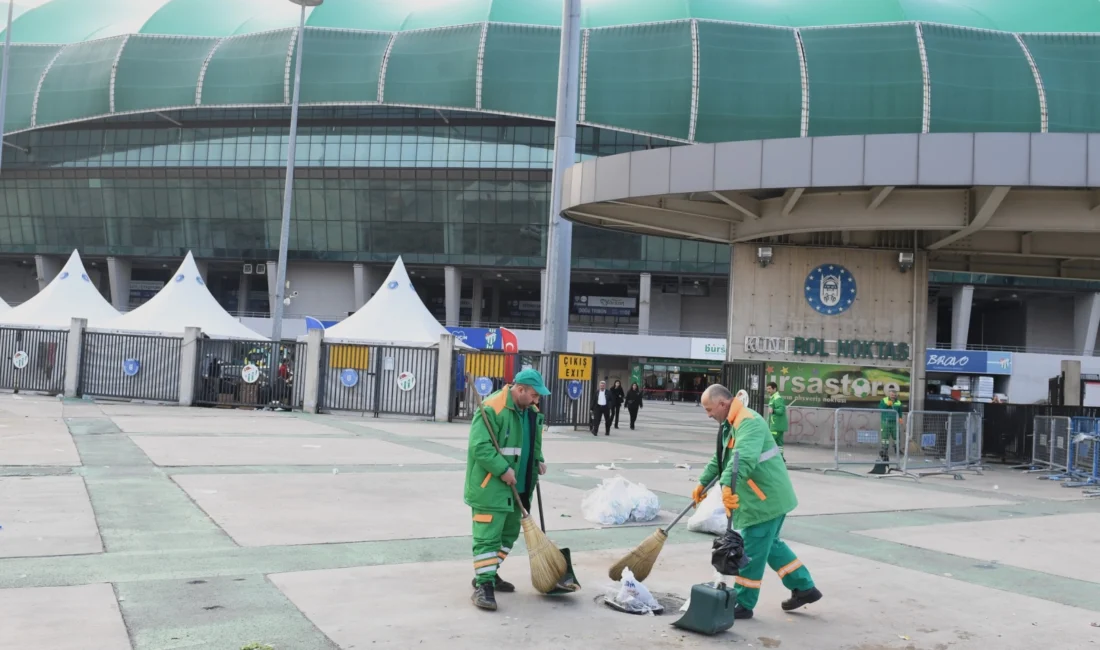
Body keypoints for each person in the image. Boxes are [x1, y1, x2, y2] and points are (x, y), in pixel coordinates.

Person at [691, 384, 822, 620]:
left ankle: (743, 602)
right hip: (763, 497)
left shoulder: (749, 422)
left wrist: (728, 486)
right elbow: (720, 458)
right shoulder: (731, 423)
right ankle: (804, 588)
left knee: (751, 551)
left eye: (709, 409)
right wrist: (702, 483)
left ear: (722, 403)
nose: (708, 414)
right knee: (769, 545)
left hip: (765, 499)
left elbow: (744, 459)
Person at [464, 368, 551, 612]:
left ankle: (489, 573)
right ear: (520, 390)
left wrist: (538, 459)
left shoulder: (530, 412)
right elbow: (479, 447)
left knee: (508, 536)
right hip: (490, 488)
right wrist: (502, 469)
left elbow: (531, 442)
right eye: (534, 395)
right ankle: (483, 585)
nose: (537, 400)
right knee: (487, 538)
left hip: (520, 488)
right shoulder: (492, 408)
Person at [877, 388, 905, 465]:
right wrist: (887, 405)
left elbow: (900, 412)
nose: (893, 395)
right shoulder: (884, 400)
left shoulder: (898, 402)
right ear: (889, 394)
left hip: (894, 422)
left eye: (894, 393)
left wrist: (900, 419)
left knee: (896, 437)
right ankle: (884, 451)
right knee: (885, 438)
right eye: (892, 393)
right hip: (885, 422)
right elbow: (881, 409)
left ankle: (897, 450)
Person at [764, 382, 788, 460]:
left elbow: (781, 410)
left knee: (768, 442)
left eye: (770, 388)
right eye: (767, 389)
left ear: (775, 388)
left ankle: (768, 459)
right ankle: (780, 459)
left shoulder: (777, 398)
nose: (768, 390)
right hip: (778, 426)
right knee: (779, 444)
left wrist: (773, 410)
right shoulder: (774, 398)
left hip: (775, 426)